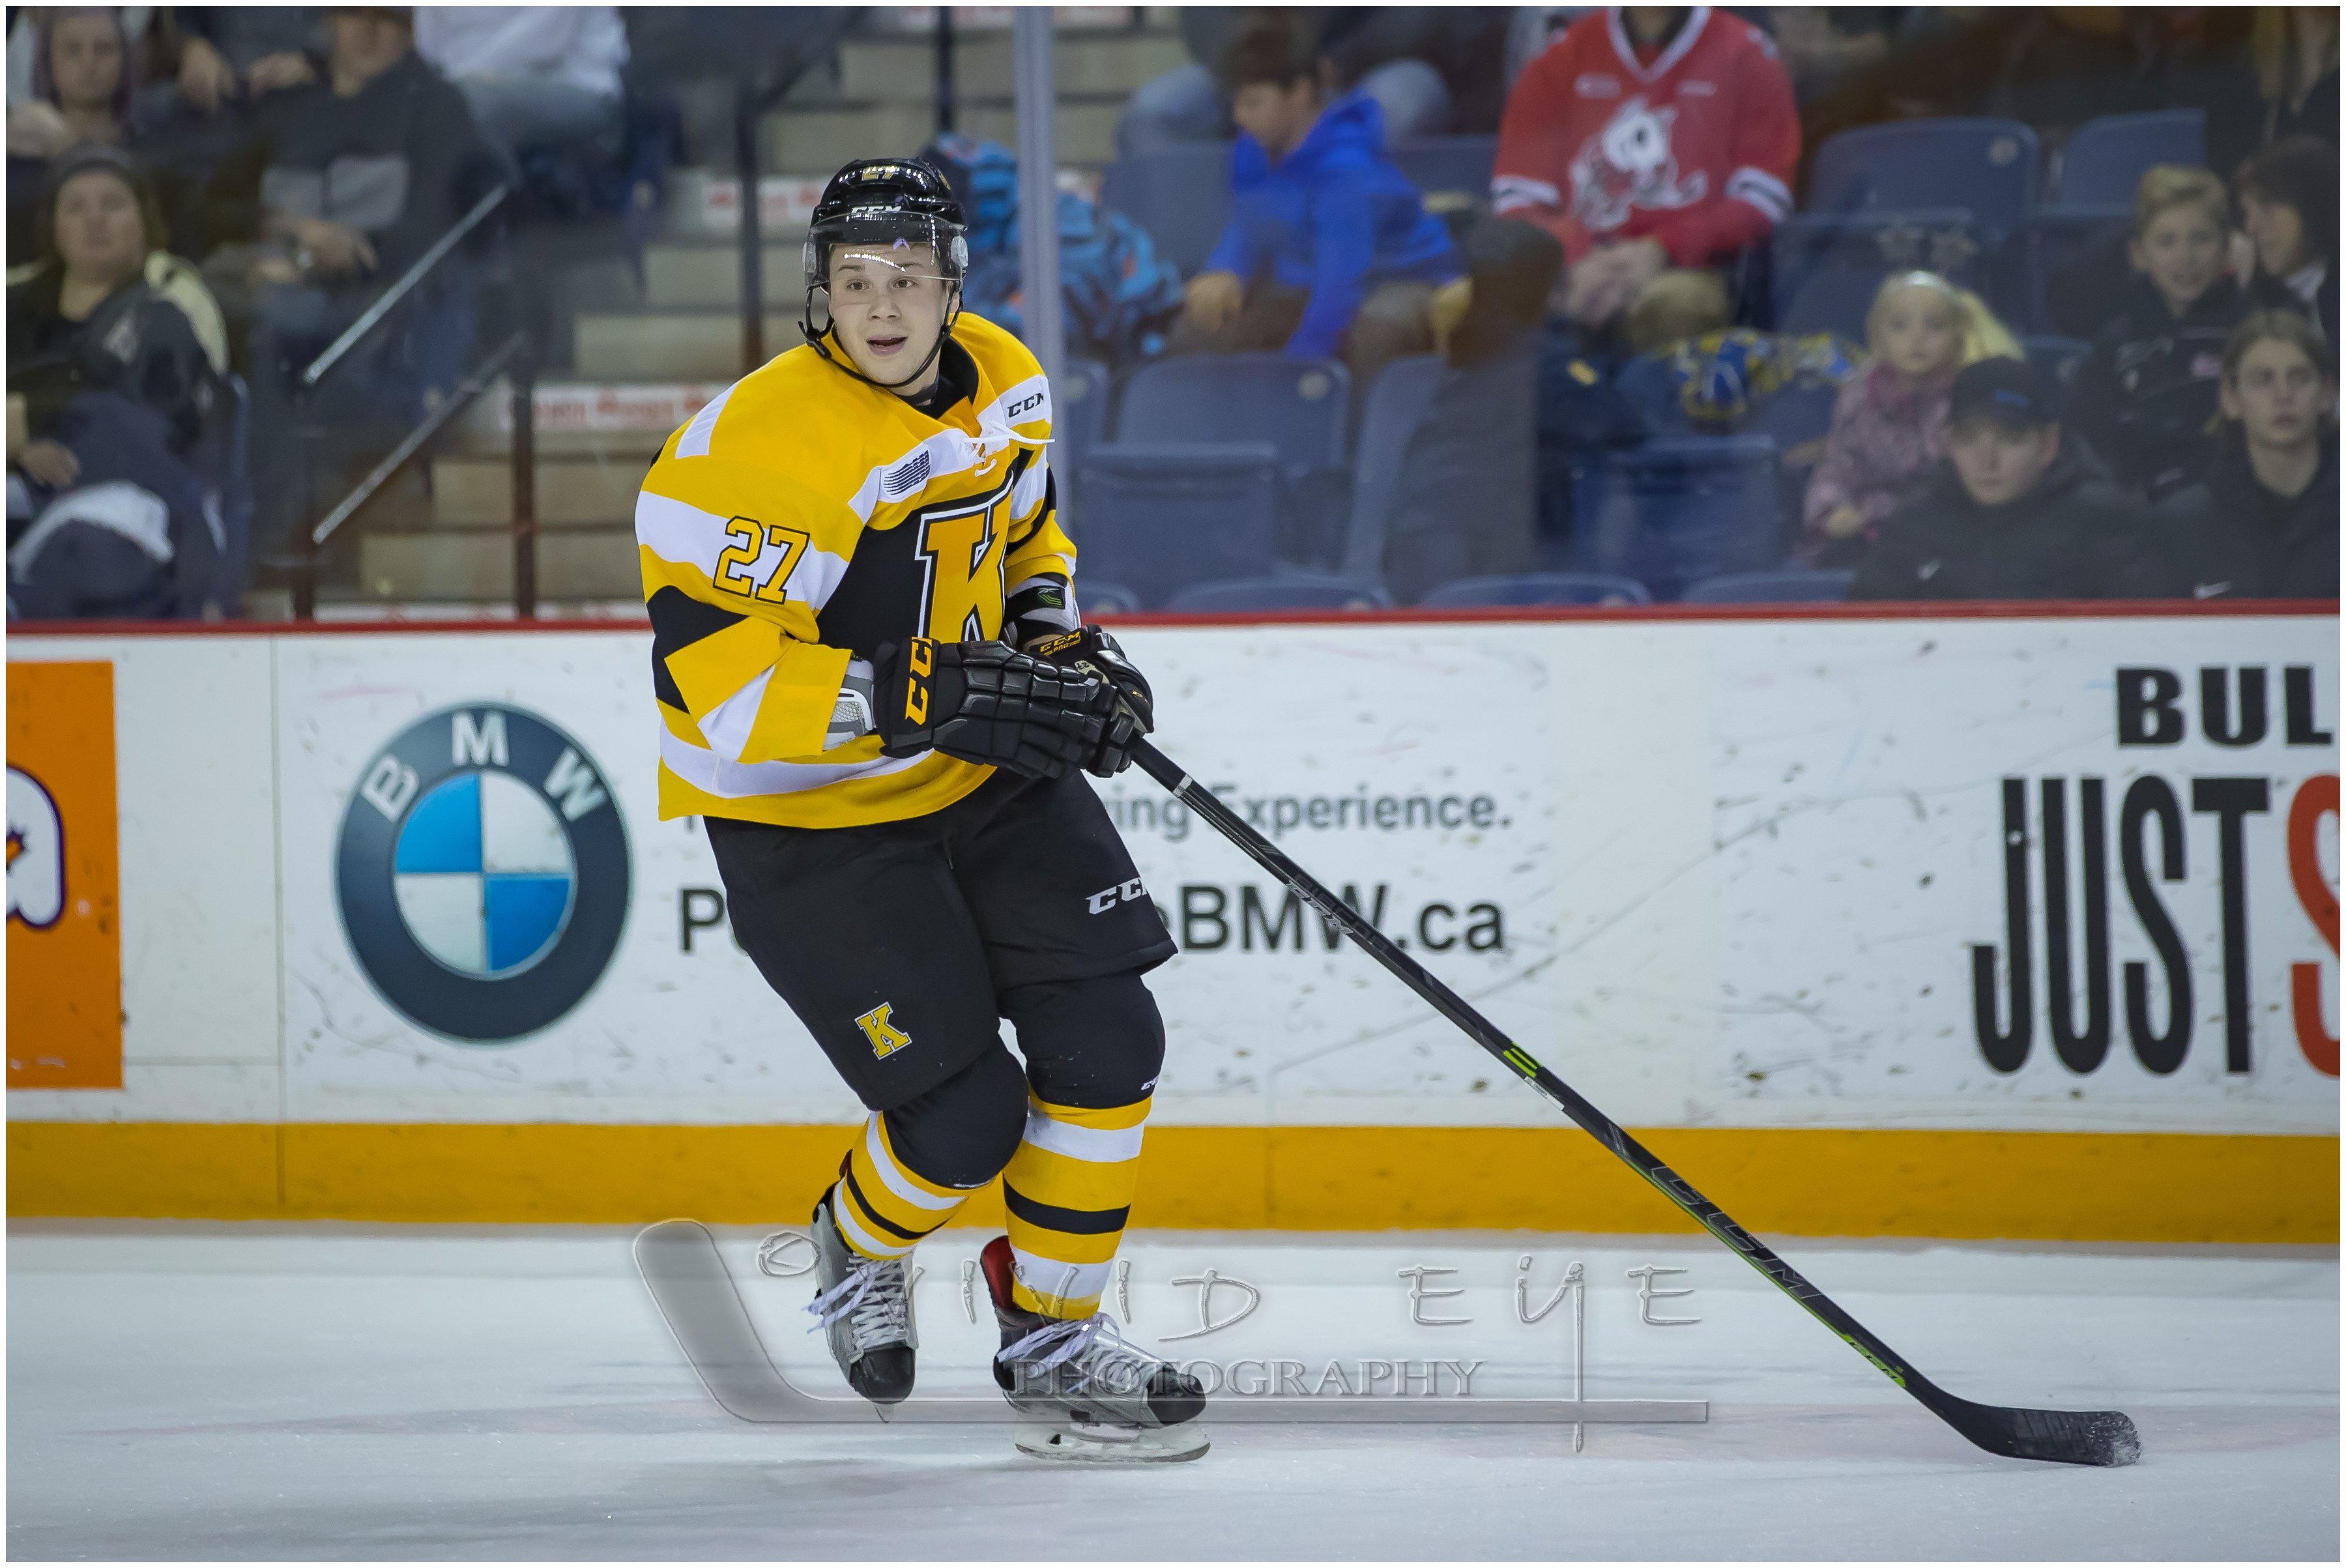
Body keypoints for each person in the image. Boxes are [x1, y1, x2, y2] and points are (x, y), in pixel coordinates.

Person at [631, 159, 1208, 1463]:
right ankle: (857, 1238)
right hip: (812, 816)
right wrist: (921, 694)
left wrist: (1066, 655)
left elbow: (1028, 549)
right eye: (854, 283)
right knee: (964, 1119)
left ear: (954, 286)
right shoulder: (748, 450)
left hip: (980, 769)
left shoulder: (1005, 375)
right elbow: (716, 693)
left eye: (907, 279)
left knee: (1111, 1038)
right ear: (820, 293)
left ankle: (1055, 1340)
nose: (881, 308)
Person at [208, 5, 500, 564]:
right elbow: (211, 204)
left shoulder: (435, 107)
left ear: (411, 31)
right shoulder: (286, 108)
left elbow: (438, 230)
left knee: (267, 337)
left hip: (376, 305)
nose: (368, 30)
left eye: (386, 18)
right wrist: (290, 232)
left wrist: (325, 260)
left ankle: (274, 534)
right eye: (353, 14)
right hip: (268, 279)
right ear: (327, 23)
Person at [1171, 14, 1465, 393]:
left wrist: (1297, 380)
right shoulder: (1253, 148)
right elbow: (1249, 223)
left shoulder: (1347, 173)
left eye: (1254, 103)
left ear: (1299, 94)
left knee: (1373, 337)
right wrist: (1226, 270)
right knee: (1201, 326)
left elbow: (1340, 287)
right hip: (1306, 275)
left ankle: (1356, 429)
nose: (1239, 117)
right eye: (1237, 103)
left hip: (1400, 279)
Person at [7, 145, 231, 618]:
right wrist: (20, 447)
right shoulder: (15, 308)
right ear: (53, 228)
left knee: (93, 544)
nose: (95, 220)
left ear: (144, 224)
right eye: (76, 207)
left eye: (112, 204)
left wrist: (24, 420)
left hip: (128, 504)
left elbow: (125, 424)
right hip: (20, 489)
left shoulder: (164, 317)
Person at [1490, 5, 1799, 332]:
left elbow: (1763, 201)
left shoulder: (1748, 54)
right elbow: (1518, 199)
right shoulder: (1560, 55)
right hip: (1578, 271)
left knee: (1674, 308)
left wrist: (1664, 248)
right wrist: (1578, 256)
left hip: (1693, 269)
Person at [1850, 357, 2151, 602]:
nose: (1987, 461)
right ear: (1949, 444)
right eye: (1968, 439)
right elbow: (1866, 640)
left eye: (2009, 438)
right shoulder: (1912, 532)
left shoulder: (2107, 526)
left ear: (2047, 445)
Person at [1799, 271, 2019, 566]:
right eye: (1899, 326)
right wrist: (1832, 511)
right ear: (1878, 337)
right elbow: (1837, 467)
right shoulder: (1858, 398)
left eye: (1935, 326)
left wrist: (1872, 512)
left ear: (1958, 335)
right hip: (1866, 534)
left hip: (1946, 531)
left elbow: (1957, 485)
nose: (1917, 339)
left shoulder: (1970, 396)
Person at [2068, 166, 2251, 501]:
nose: (2186, 257)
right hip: (2139, 511)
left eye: (2201, 239)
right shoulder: (2115, 342)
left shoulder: (2253, 333)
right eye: (2167, 242)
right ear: (2138, 254)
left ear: (2226, 248)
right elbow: (2092, 445)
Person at [2154, 311, 2338, 598]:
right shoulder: (2183, 525)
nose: (2284, 395)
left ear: (2327, 393)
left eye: (2299, 378)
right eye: (2262, 380)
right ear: (2230, 397)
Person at [411, 7, 627, 170]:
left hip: (577, 86)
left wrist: (458, 86)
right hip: (467, 86)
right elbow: (430, 45)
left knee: (464, 106)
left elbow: (546, 39)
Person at [2235, 136, 2339, 351]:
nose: (2251, 227)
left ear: (2313, 202)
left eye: (2267, 204)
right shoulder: (2247, 308)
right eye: (2247, 211)